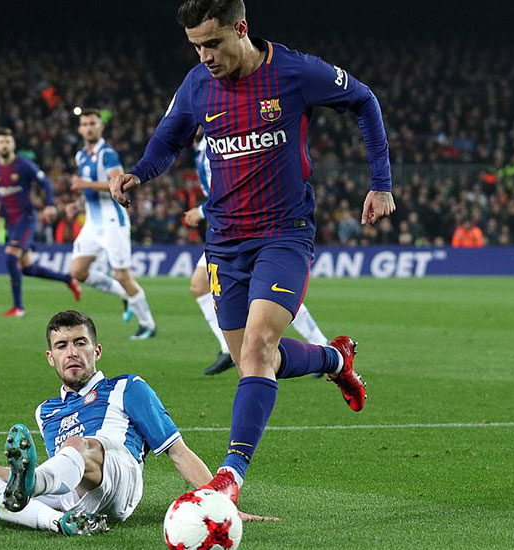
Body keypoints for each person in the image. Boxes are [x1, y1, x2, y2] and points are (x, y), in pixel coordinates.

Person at [111, 0, 395, 503]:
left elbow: (364, 99)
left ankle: (230, 476)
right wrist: (138, 173)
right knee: (253, 361)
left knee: (259, 345)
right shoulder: (197, 85)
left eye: (213, 43)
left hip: (284, 233)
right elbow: (167, 141)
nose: (204, 56)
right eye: (196, 46)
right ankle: (335, 359)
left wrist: (381, 182)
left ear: (240, 28)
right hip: (224, 243)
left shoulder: (294, 72)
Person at [0, 310, 213, 535]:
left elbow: (178, 452)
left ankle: (15, 494)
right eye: (62, 346)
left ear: (96, 351)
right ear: (50, 357)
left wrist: (217, 502)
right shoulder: (45, 412)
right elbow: (61, 470)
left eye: (80, 343)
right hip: (72, 493)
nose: (72, 352)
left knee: (77, 444)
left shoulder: (127, 387)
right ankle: (57, 522)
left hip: (118, 478)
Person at [186, 135, 329, 376]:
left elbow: (230, 189)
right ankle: (227, 347)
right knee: (200, 285)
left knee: (271, 293)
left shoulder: (217, 140)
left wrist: (201, 212)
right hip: (225, 230)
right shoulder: (200, 147)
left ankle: (321, 345)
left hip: (245, 230)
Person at [68, 110, 158, 340]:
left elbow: (117, 183)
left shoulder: (107, 154)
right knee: (78, 270)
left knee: (122, 275)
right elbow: (89, 192)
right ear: (79, 129)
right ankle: (126, 296)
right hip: (92, 222)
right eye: (85, 124)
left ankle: (148, 324)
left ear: (101, 128)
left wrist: (85, 184)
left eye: (93, 123)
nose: (89, 127)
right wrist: (78, 205)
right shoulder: (81, 156)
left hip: (112, 222)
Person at [0, 128, 81, 317]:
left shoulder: (24, 165)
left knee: (11, 256)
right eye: (1, 142)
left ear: (13, 145)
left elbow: (45, 183)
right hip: (9, 221)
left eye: (8, 142)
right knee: (27, 268)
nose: (4, 145)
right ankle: (68, 279)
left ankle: (18, 307)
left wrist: (49, 204)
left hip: (25, 218)